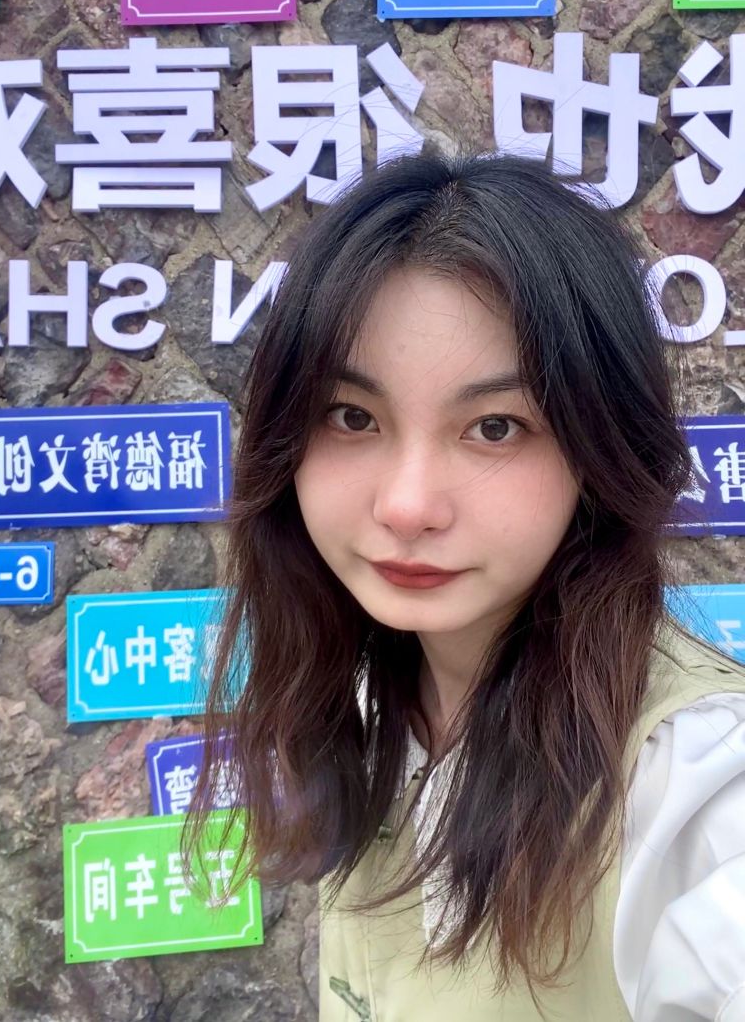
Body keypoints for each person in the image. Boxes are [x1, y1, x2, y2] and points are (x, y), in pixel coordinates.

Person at [185, 150, 745, 1021]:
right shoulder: (371, 693)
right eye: (353, 417)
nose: (407, 506)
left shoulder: (694, 786)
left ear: (598, 453)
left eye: (495, 427)